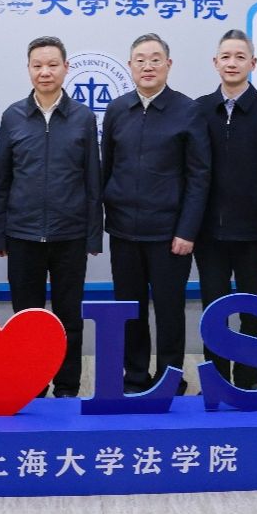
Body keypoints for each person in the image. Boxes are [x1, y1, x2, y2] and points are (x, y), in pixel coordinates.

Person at [0, 36, 102, 398]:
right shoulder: (12, 116)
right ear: (28, 69)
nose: (45, 72)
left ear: (66, 68)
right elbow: (2, 180)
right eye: (37, 65)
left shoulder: (83, 118)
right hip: (22, 235)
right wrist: (0, 233)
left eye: (52, 65)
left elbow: (92, 180)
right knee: (27, 318)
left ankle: (67, 386)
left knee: (70, 317)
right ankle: (32, 384)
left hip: (70, 235)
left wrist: (93, 235)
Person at [102, 33, 210, 395]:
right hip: (124, 232)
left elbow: (199, 176)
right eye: (140, 60)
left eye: (155, 59)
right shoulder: (117, 110)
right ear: (130, 66)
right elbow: (107, 168)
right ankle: (135, 377)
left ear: (168, 64)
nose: (147, 66)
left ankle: (169, 378)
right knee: (129, 310)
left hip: (170, 234)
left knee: (169, 310)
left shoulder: (187, 110)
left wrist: (187, 230)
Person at [194, 29, 257, 390]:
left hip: (255, 234)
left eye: (240, 56)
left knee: (252, 310)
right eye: (226, 56)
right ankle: (217, 379)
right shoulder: (199, 109)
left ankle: (249, 379)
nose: (232, 63)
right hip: (209, 234)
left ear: (253, 62)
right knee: (213, 310)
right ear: (215, 62)